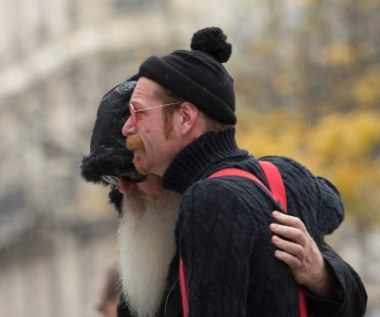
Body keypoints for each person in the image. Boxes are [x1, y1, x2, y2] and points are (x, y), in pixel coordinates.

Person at [116, 26, 367, 316]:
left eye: (138, 112)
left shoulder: (209, 198)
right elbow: (354, 298)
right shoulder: (283, 174)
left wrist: (321, 273)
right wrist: (323, 275)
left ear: (185, 117)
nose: (127, 128)